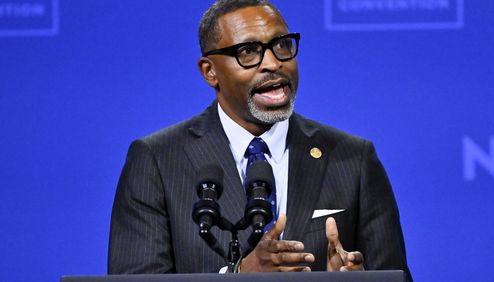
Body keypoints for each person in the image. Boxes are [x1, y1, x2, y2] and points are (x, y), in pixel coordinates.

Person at [108, 0, 412, 279]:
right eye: (248, 52)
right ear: (210, 71)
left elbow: (395, 276)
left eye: (281, 45)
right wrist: (240, 275)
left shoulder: (354, 158)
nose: (272, 63)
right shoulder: (157, 161)